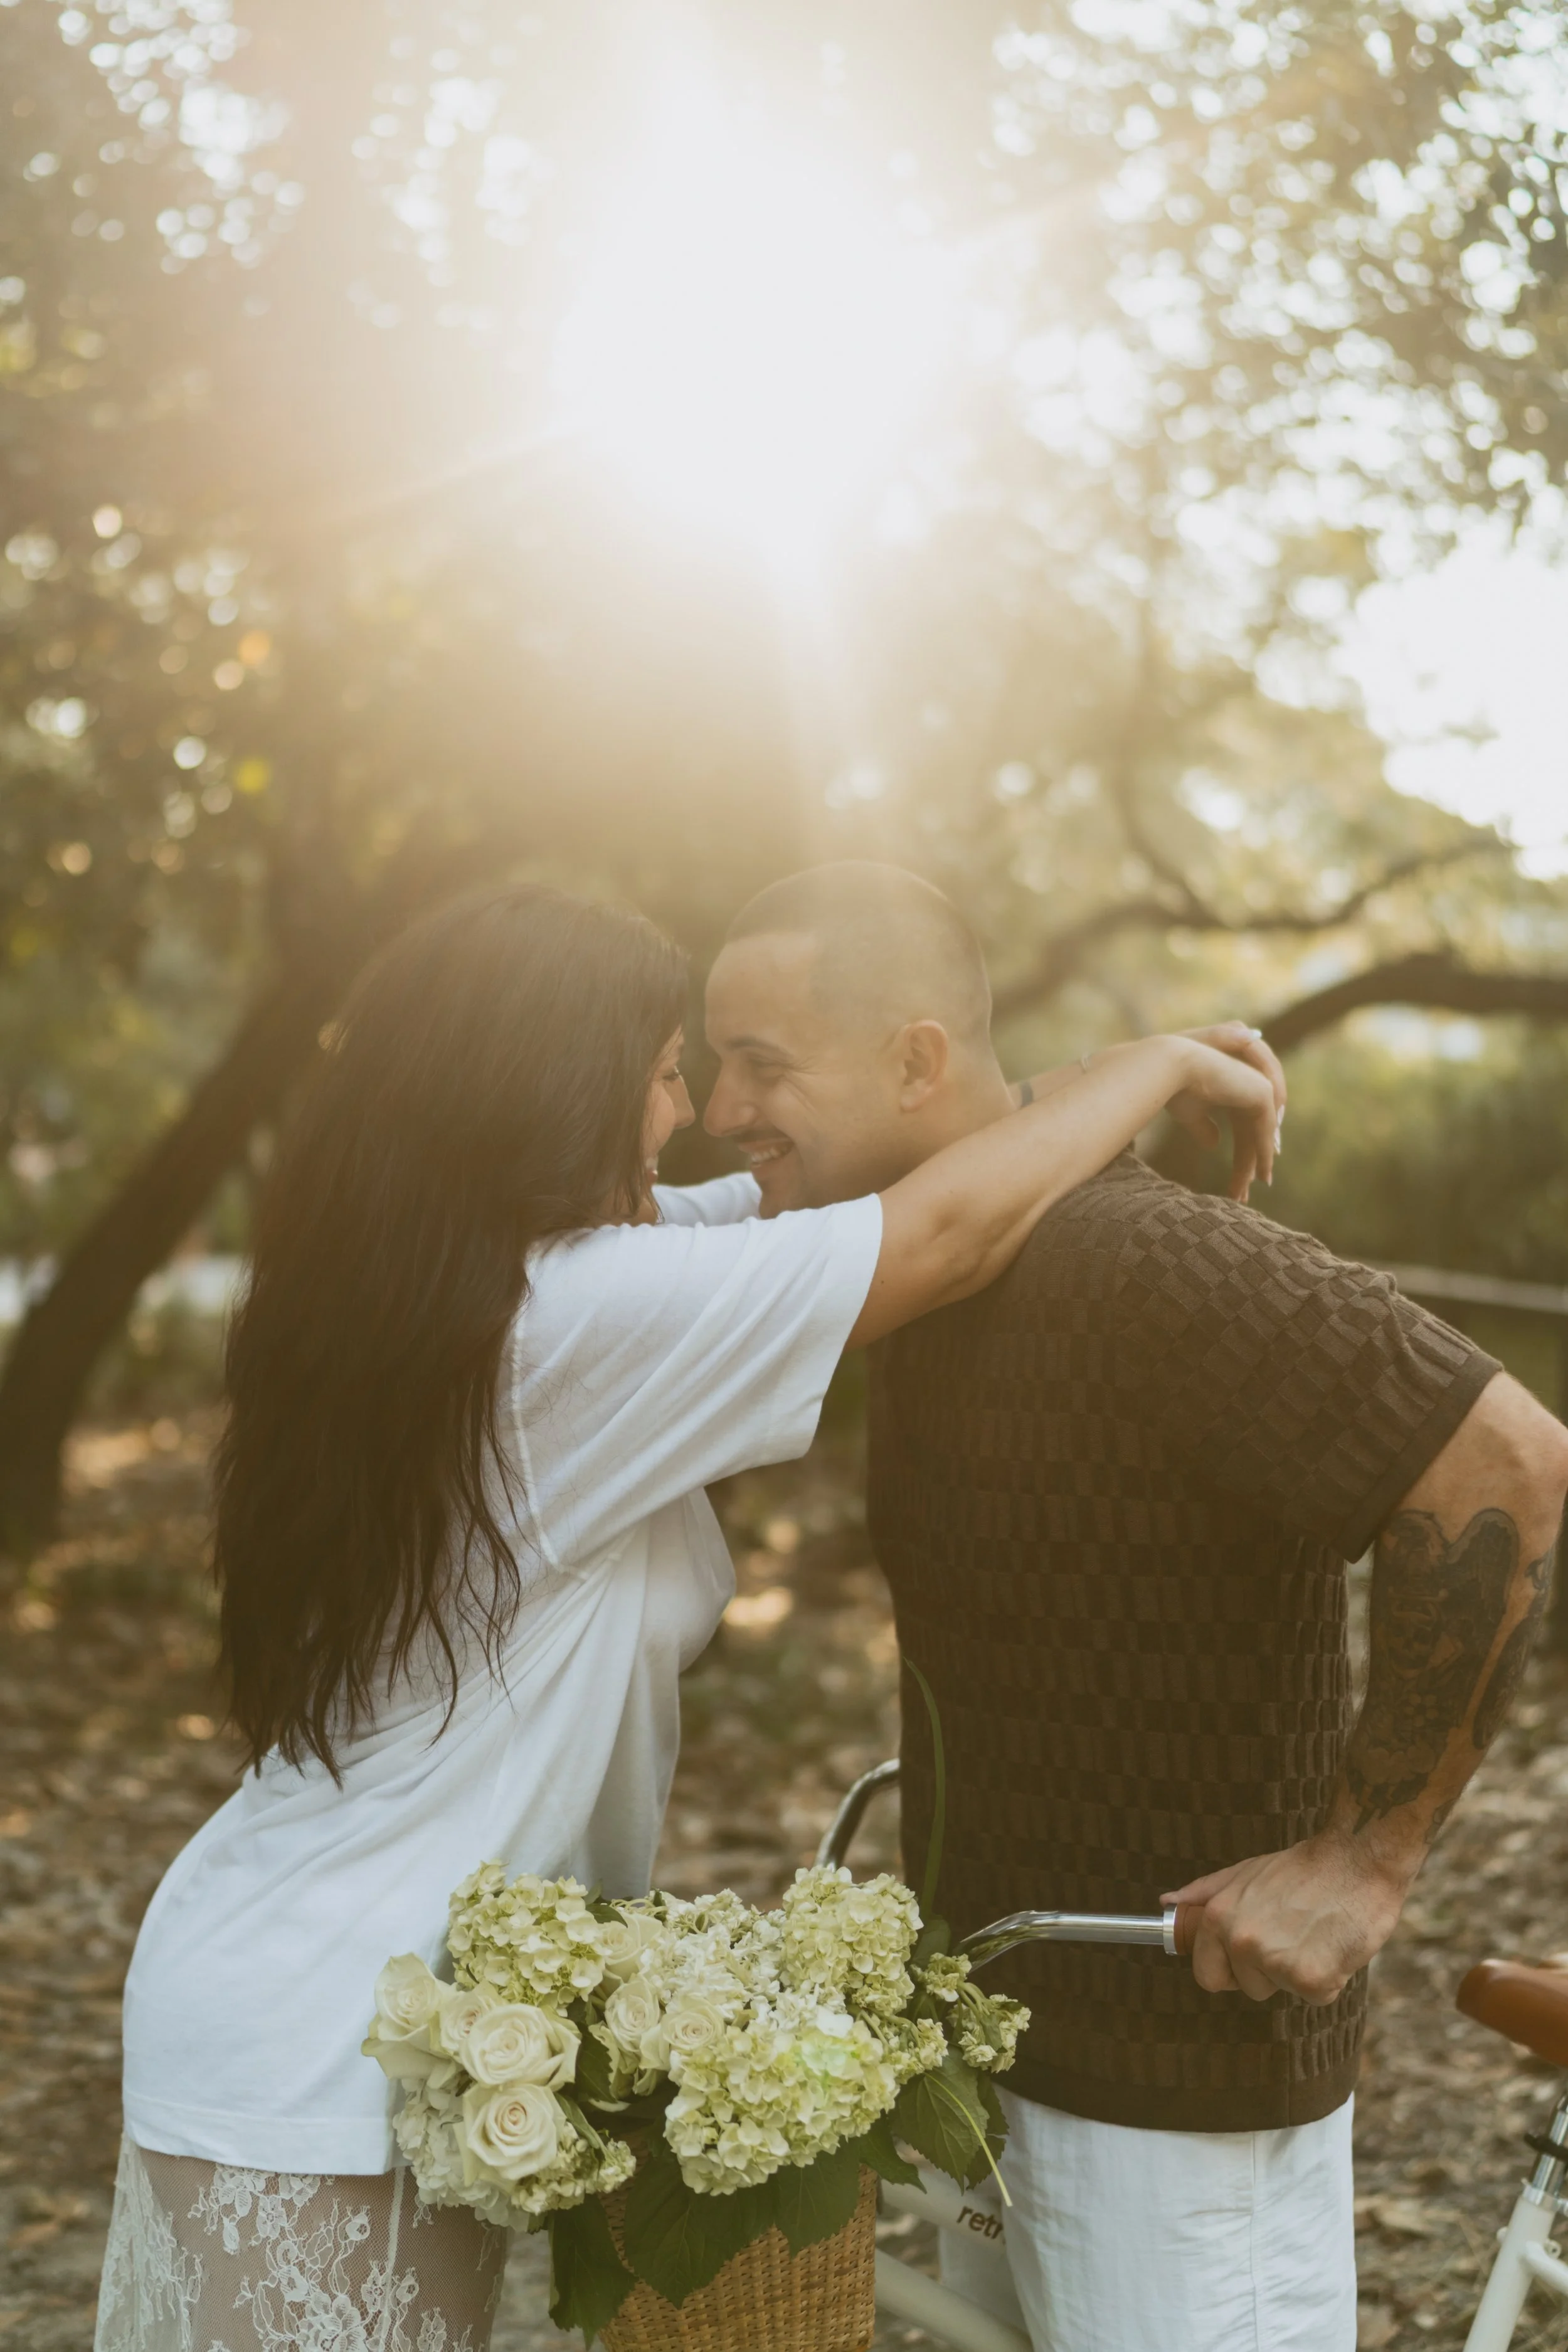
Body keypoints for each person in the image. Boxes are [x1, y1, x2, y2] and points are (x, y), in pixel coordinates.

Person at [94, 880, 1277, 2352]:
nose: (698, 1115)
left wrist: (1024, 1078)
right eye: (665, 1072)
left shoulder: (463, 1288)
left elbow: (864, 1179)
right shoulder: (575, 1318)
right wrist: (1155, 1065)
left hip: (337, 2006)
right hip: (319, 2047)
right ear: (551, 1092)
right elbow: (937, 1236)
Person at [702, 861, 1568, 2352]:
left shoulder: (1147, 1263)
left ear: (915, 1059)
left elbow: (1505, 1457)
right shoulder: (922, 1264)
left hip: (1175, 2094)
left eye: (758, 1066)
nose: (723, 1110)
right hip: (998, 2050)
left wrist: (1364, 1859)